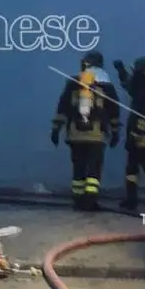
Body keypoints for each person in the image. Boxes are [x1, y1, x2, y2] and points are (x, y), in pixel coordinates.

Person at [51, 51, 121, 211]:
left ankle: (78, 201)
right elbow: (114, 111)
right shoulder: (106, 85)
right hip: (96, 135)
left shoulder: (73, 83)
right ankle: (90, 202)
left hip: (75, 134)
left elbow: (63, 108)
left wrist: (55, 130)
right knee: (93, 171)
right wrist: (115, 132)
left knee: (78, 168)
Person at [114, 57, 145, 213]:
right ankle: (138, 199)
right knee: (138, 169)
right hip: (142, 136)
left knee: (143, 169)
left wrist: (136, 132)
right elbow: (129, 86)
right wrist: (121, 71)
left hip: (142, 137)